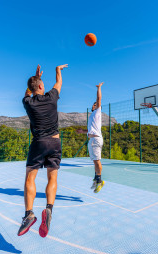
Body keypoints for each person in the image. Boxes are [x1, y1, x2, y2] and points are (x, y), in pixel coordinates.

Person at [18, 64, 68, 238]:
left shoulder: (28, 102)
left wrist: (34, 77)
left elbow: (27, 93)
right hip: (55, 142)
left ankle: (29, 214)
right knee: (52, 177)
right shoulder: (52, 97)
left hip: (38, 143)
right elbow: (59, 83)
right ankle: (49, 209)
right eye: (42, 83)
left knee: (30, 178)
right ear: (40, 86)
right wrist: (58, 70)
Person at [77, 82, 105, 193]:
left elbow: (99, 99)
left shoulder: (97, 112)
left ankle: (99, 181)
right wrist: (82, 131)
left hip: (96, 139)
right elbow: (90, 130)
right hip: (92, 139)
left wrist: (99, 88)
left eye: (95, 104)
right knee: (94, 160)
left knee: (97, 160)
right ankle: (96, 178)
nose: (94, 105)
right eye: (93, 105)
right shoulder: (92, 116)